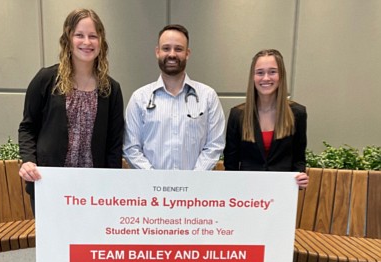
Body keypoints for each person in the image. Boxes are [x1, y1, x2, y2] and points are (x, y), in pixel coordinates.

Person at [18, 8, 124, 212]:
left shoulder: (111, 89)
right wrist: (28, 162)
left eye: (93, 36)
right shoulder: (46, 79)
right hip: (49, 183)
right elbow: (28, 128)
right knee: (54, 244)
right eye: (79, 35)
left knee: (88, 244)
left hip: (93, 191)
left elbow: (114, 144)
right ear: (68, 39)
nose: (87, 42)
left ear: (101, 41)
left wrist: (112, 186)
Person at [123, 24, 225, 170]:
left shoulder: (208, 97)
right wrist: (157, 182)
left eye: (178, 49)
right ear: (157, 52)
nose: (172, 54)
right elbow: (131, 148)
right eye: (166, 48)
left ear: (187, 53)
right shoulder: (139, 98)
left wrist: (191, 181)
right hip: (151, 189)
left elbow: (215, 145)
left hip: (197, 188)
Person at [223, 49, 309, 188]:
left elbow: (298, 159)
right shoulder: (238, 115)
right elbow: (230, 164)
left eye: (272, 72)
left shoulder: (297, 113)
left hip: (282, 193)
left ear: (281, 76)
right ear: (253, 77)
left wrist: (300, 178)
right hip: (246, 195)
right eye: (260, 72)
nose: (266, 78)